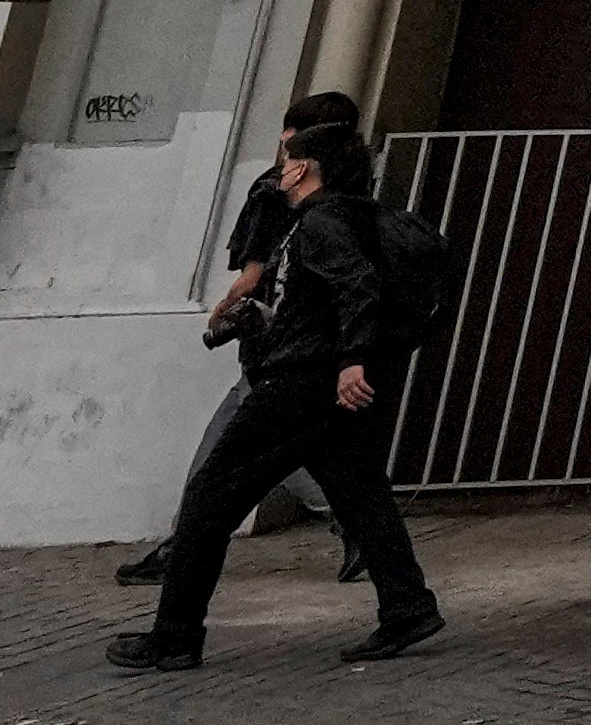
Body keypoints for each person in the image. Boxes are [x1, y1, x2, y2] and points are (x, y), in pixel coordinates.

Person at [110, 122, 438, 670]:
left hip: (301, 383)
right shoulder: (339, 217)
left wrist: (351, 359)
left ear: (303, 167)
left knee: (211, 495)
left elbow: (357, 286)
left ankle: (174, 635)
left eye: (287, 159)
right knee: (360, 493)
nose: (279, 169)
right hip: (318, 378)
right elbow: (319, 300)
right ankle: (407, 607)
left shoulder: (323, 221)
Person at [124, 92, 371, 594]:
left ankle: (180, 556)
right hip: (309, 351)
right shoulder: (357, 189)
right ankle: (370, 543)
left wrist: (227, 308)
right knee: (310, 454)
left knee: (222, 455)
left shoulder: (283, 190)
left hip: (280, 354)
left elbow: (257, 270)